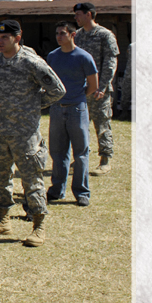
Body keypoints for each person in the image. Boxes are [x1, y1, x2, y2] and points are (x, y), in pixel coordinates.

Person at [0, 20, 67, 247]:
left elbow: (57, 90)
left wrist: (33, 105)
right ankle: (3, 220)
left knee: (31, 180)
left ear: (17, 38)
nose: (0, 42)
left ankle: (38, 226)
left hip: (25, 134)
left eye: (5, 38)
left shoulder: (31, 63)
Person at [46, 21, 99, 207]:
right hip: (57, 109)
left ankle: (82, 192)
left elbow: (93, 85)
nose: (59, 36)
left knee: (81, 152)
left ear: (72, 34)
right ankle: (56, 189)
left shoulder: (84, 57)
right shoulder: (52, 57)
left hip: (77, 109)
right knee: (58, 152)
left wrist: (77, 97)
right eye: (57, 33)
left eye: (62, 33)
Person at [72, 2, 120, 175]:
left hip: (99, 90)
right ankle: (81, 158)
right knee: (79, 126)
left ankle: (105, 160)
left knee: (102, 124)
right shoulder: (76, 36)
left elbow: (110, 63)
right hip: (80, 89)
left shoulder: (105, 35)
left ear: (89, 15)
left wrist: (102, 86)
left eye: (78, 14)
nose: (75, 18)